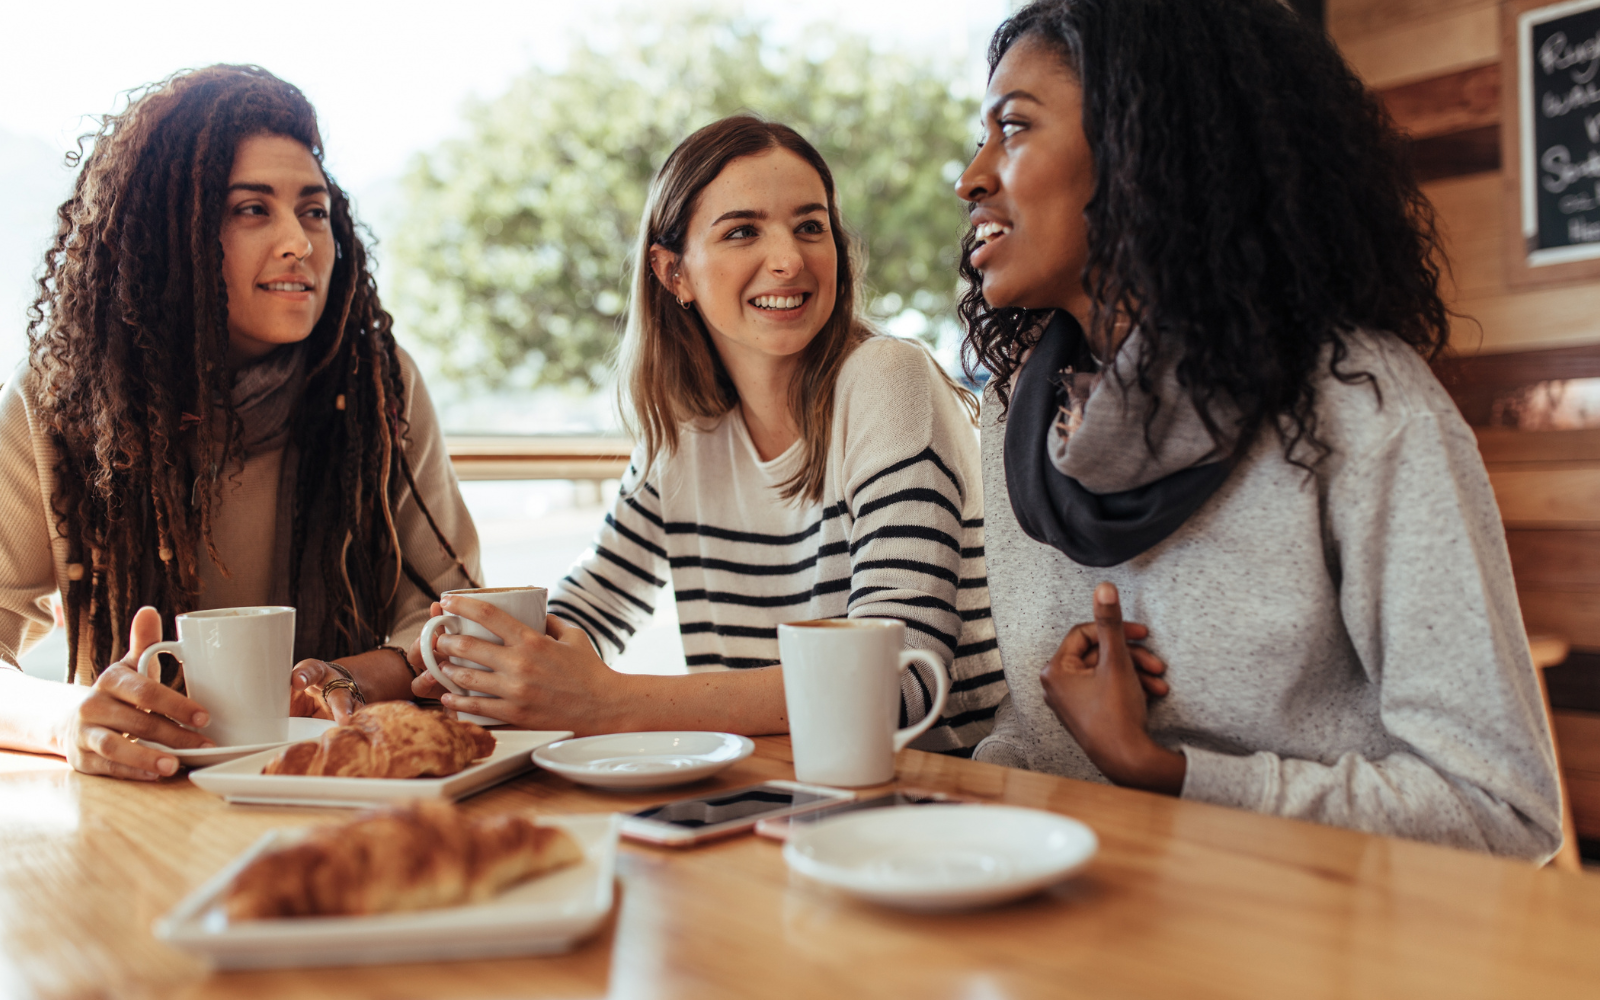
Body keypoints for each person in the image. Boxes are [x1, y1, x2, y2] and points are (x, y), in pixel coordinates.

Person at [956, 0, 1563, 858]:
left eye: (1013, 127)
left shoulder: (1361, 408)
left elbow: (1501, 808)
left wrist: (1164, 770)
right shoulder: (1018, 418)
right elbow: (1034, 749)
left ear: (1145, 149)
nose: (971, 176)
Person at [409, 116, 1005, 751]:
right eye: (743, 231)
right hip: (775, 793)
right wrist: (496, 661)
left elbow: (899, 680)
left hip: (941, 796)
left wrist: (609, 703)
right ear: (674, 274)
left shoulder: (887, 378)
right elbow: (588, 613)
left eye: (810, 226)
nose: (788, 259)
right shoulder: (683, 434)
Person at [0, 66, 480, 780]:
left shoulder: (378, 383)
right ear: (166, 233)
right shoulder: (61, 402)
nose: (300, 242)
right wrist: (65, 722)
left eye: (314, 211)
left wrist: (337, 685)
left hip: (334, 786)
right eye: (252, 209)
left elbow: (454, 618)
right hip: (137, 803)